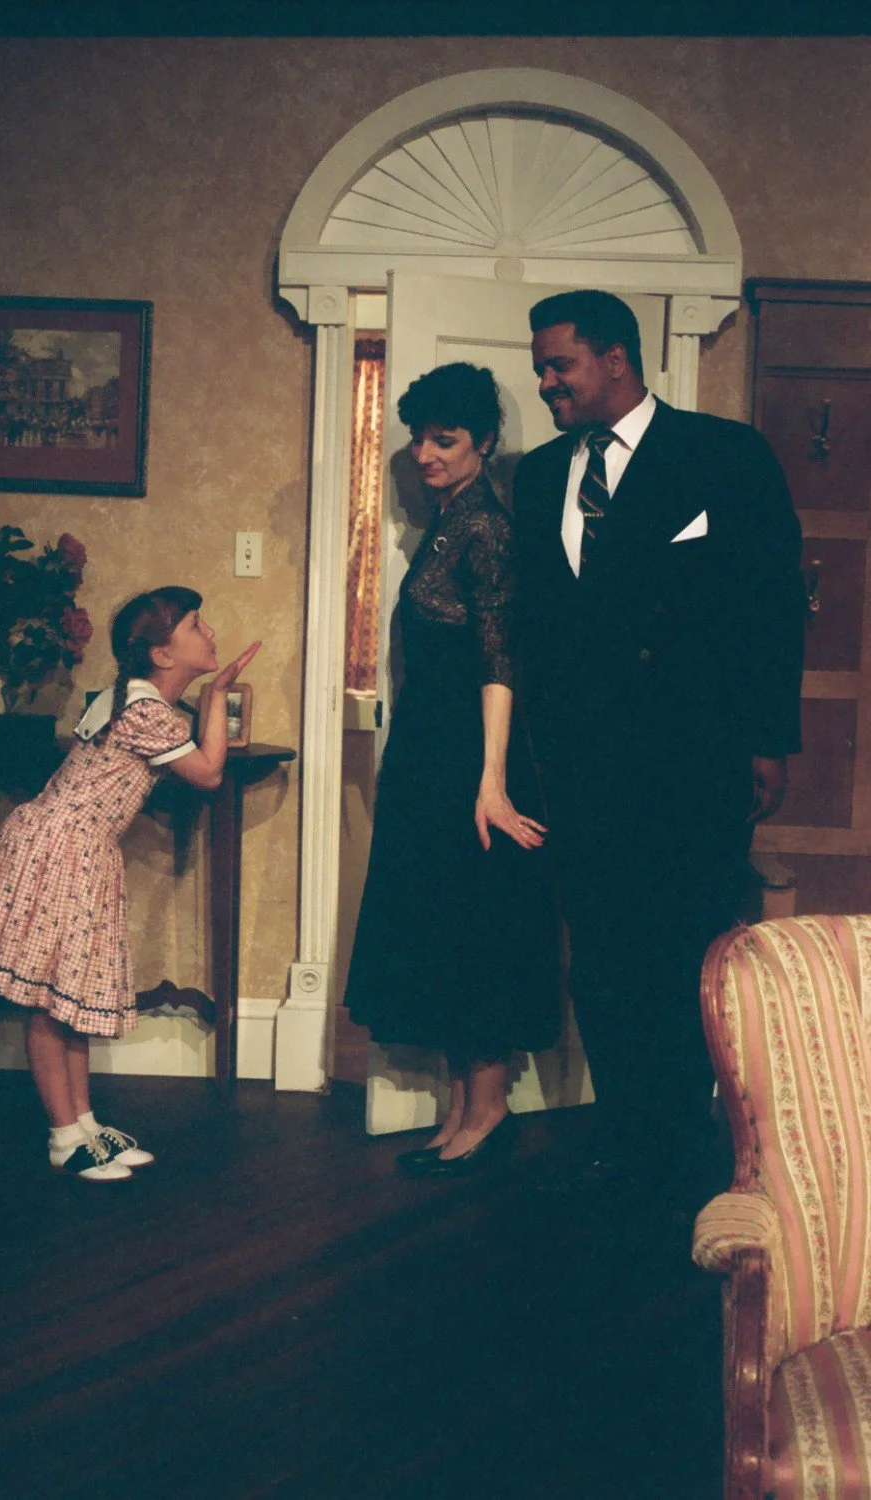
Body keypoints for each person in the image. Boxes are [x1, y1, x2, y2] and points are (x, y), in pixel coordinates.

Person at [513, 289, 805, 1213]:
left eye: (559, 364)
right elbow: (537, 626)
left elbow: (771, 602)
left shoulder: (724, 454)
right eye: (541, 366)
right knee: (601, 959)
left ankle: (691, 1147)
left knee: (689, 954)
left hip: (694, 762)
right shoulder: (538, 476)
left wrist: (770, 739)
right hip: (585, 769)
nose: (545, 381)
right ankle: (628, 1133)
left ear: (616, 359)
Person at [0, 586, 260, 1183]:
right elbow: (211, 773)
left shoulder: (138, 704)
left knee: (68, 998)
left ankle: (85, 1125)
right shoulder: (145, 712)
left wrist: (210, 694)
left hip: (76, 849)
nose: (210, 632)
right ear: (164, 655)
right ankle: (65, 1136)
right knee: (49, 999)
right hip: (62, 848)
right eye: (197, 624)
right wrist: (217, 694)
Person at [344, 362, 561, 1176]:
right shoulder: (445, 522)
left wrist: (493, 778)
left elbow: (502, 660)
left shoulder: (488, 530)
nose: (425, 453)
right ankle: (464, 1113)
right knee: (447, 927)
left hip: (476, 762)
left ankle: (490, 1111)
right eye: (418, 437)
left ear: (485, 444)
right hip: (432, 759)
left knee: (484, 928)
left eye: (446, 439)